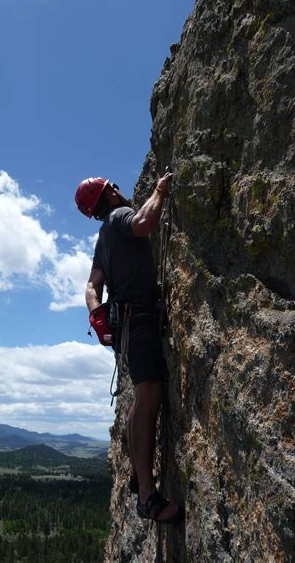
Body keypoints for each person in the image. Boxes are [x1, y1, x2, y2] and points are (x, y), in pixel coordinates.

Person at [75, 173, 184, 524]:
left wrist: (98, 317)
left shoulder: (102, 238)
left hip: (126, 324)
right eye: (114, 187)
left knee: (142, 397)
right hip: (138, 320)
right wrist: (160, 191)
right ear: (109, 194)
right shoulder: (119, 217)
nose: (121, 190)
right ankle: (148, 498)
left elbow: (92, 287)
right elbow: (144, 222)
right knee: (149, 395)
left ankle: (139, 474)